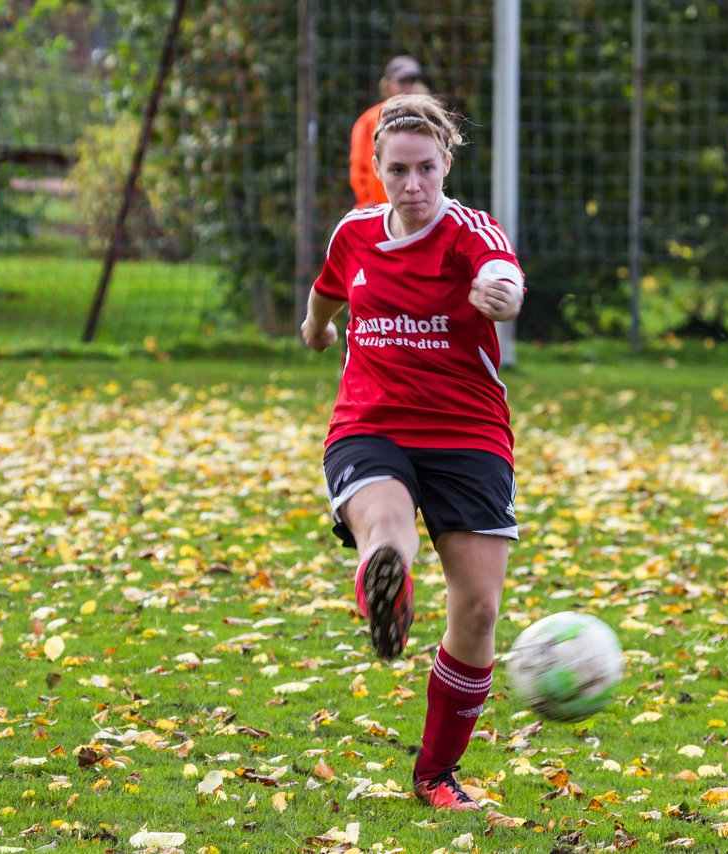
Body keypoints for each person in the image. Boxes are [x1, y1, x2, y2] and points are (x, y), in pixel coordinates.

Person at [302, 93, 525, 811]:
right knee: (388, 528)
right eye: (398, 171)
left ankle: (435, 773)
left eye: (426, 169)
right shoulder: (356, 233)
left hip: (467, 431)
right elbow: (325, 298)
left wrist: (502, 294)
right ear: (376, 170)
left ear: (447, 163)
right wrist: (314, 332)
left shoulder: (471, 233)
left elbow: (504, 278)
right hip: (373, 422)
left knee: (480, 610)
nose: (413, 186)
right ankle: (385, 584)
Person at [349, 55, 429, 209]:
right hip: (378, 209)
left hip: (417, 207)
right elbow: (359, 168)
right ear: (387, 85)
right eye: (402, 81)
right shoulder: (369, 121)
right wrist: (367, 203)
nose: (409, 87)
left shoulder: (429, 118)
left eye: (413, 81)